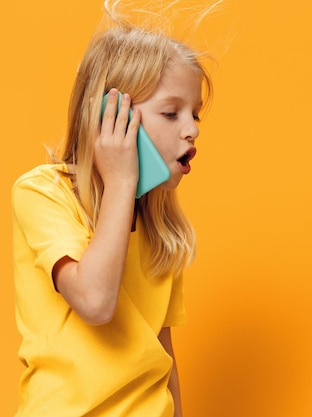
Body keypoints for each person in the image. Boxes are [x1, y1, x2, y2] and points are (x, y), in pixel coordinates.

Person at [11, 2, 213, 416]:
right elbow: (95, 302)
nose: (192, 128)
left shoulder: (162, 226)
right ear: (109, 117)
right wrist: (122, 180)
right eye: (171, 112)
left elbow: (162, 352)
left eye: (195, 114)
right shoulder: (42, 192)